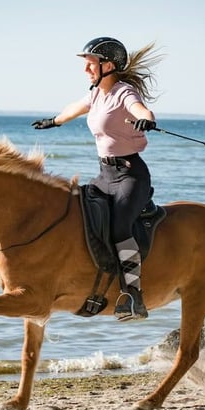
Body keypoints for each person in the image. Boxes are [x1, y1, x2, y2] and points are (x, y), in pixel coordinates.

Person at [32, 37, 163, 321]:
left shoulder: (123, 92)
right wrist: (54, 121)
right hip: (105, 175)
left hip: (130, 176)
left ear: (108, 65)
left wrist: (147, 119)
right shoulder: (95, 95)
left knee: (118, 228)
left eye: (90, 63)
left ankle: (133, 295)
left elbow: (140, 108)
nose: (86, 69)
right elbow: (74, 108)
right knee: (77, 214)